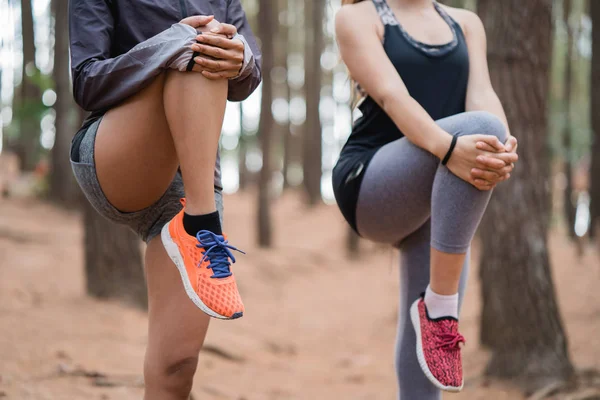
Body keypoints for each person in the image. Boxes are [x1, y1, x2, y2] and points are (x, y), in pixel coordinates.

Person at [68, 1, 261, 398]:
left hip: (193, 180)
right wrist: (169, 45)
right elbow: (86, 82)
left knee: (176, 367)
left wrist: (241, 62)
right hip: (116, 154)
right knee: (196, 50)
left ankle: (194, 228)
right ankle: (201, 225)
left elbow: (249, 74)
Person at [333, 0, 519, 397]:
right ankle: (439, 306)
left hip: (442, 185)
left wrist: (502, 147)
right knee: (482, 130)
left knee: (431, 346)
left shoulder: (466, 23)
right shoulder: (360, 16)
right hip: (372, 180)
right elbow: (391, 96)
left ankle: (435, 311)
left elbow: (482, 95)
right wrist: (452, 149)